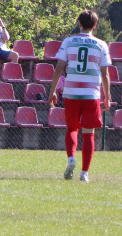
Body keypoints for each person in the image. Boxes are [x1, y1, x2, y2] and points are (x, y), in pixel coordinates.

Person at [46, 10, 112, 182]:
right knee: (89, 133)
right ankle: (84, 173)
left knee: (72, 128)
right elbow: (105, 74)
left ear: (79, 23)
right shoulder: (101, 44)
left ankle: (71, 159)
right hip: (91, 94)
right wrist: (107, 96)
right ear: (95, 26)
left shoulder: (68, 42)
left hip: (71, 92)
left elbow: (59, 68)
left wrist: (52, 91)